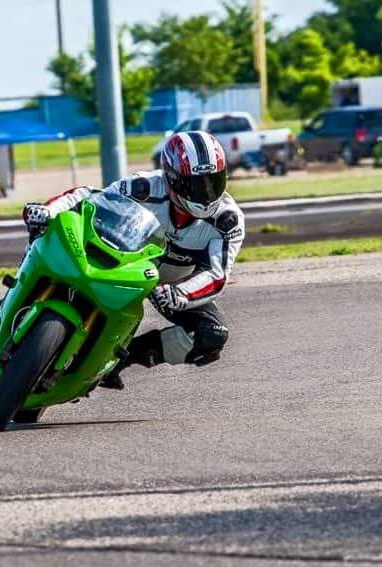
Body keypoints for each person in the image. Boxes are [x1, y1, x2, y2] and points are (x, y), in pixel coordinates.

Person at [21, 130, 245, 389]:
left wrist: (179, 293)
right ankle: (22, 286)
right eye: (195, 185)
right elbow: (89, 196)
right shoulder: (143, 187)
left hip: (173, 286)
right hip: (124, 264)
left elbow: (217, 274)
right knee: (43, 225)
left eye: (213, 182)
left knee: (212, 335)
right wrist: (48, 210)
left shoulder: (228, 220)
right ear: (171, 178)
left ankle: (122, 359)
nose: (205, 194)